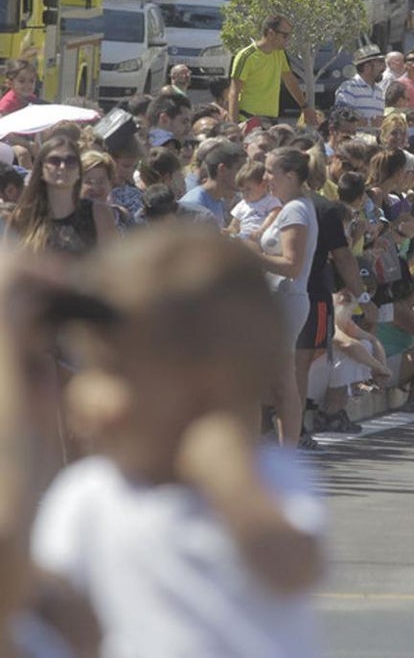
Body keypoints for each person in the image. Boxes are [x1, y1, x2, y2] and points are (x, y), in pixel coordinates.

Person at [32, 225, 324, 655]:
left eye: (114, 372)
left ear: (210, 384)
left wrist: (223, 462)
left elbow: (291, 565)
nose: (84, 394)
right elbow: (52, 617)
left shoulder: (265, 477)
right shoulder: (88, 492)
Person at [254, 147, 319, 447]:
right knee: (275, 380)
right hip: (280, 299)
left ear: (290, 176)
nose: (265, 177)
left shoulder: (295, 209)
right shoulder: (292, 207)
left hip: (286, 298)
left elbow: (292, 265)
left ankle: (286, 449)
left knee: (283, 381)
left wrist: (250, 256)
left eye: (271, 171)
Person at [10, 136, 117, 254]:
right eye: (54, 161)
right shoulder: (23, 215)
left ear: (79, 171)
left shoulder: (98, 213)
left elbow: (112, 262)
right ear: (41, 170)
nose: (62, 166)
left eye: (70, 161)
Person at [228, 15, 317, 126]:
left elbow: (290, 81)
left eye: (289, 35)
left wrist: (304, 107)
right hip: (248, 119)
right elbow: (234, 93)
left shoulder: (280, 53)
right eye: (285, 35)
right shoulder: (246, 56)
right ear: (271, 33)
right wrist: (233, 126)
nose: (288, 39)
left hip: (270, 120)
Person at [334, 43, 387, 126]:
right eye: (380, 62)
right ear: (367, 67)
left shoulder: (379, 91)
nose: (384, 67)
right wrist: (370, 122)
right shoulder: (348, 88)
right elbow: (342, 116)